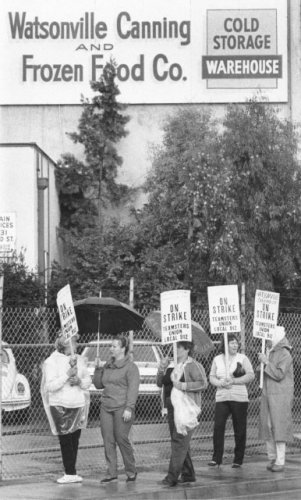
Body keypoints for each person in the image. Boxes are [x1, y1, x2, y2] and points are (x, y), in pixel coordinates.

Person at [41, 332, 91, 484]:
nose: (75, 345)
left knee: (75, 439)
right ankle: (69, 472)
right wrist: (67, 375)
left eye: (75, 341)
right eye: (72, 342)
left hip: (78, 403)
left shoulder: (79, 359)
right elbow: (50, 386)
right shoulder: (51, 361)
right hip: (60, 404)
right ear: (63, 343)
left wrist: (79, 381)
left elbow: (88, 381)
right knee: (65, 439)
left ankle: (72, 472)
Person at [157, 341, 208, 487]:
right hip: (171, 405)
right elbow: (159, 383)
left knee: (179, 441)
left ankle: (172, 476)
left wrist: (183, 386)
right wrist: (161, 368)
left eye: (178, 347)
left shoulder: (193, 365)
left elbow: (203, 383)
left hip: (186, 407)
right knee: (179, 439)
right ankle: (188, 474)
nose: (175, 350)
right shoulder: (171, 364)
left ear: (187, 350)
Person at [93, 335, 140, 484]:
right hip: (106, 406)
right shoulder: (107, 365)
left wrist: (129, 408)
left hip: (122, 407)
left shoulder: (131, 367)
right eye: (111, 346)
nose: (110, 349)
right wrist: (98, 369)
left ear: (122, 348)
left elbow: (133, 389)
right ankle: (111, 473)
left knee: (121, 438)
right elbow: (99, 385)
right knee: (108, 440)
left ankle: (131, 471)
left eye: (114, 346)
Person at [209, 333, 255, 468]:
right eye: (232, 342)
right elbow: (211, 377)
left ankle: (238, 459)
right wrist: (220, 383)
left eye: (236, 343)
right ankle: (216, 458)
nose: (235, 345)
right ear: (225, 344)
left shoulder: (242, 358)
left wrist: (235, 381)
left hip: (239, 397)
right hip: (222, 397)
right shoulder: (217, 359)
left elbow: (251, 375)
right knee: (218, 427)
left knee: (239, 428)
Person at [258, 325, 294, 472]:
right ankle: (272, 457)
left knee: (278, 427)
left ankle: (280, 460)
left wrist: (266, 362)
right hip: (269, 394)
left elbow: (279, 374)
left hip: (280, 396)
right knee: (268, 426)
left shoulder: (285, 354)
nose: (266, 341)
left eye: (268, 338)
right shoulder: (271, 352)